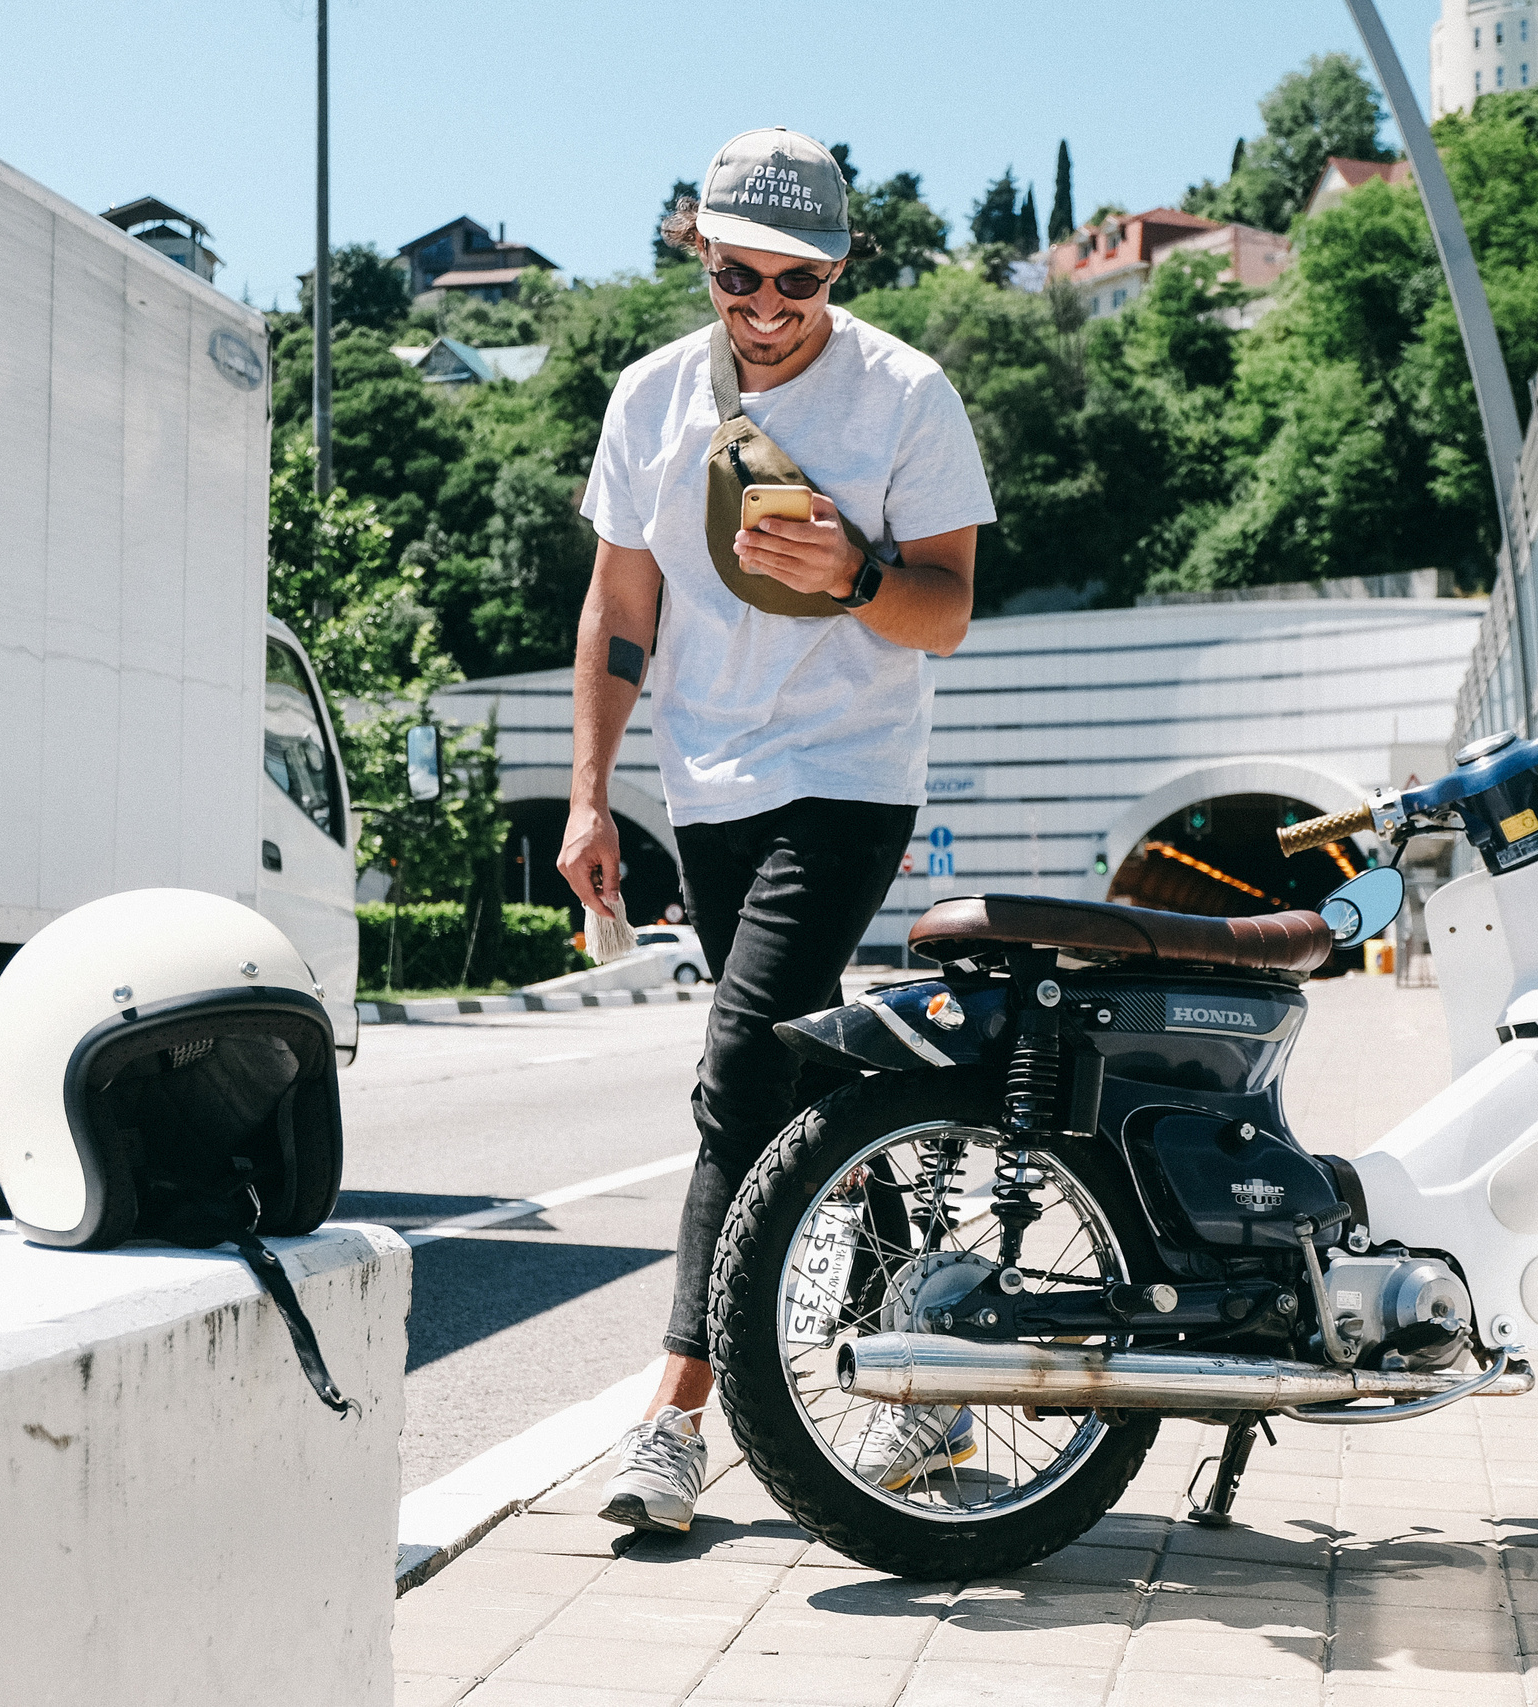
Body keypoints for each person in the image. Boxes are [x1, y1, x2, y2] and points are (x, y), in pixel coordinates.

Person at [558, 127, 995, 1534]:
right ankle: (927, 1378)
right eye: (734, 275)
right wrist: (588, 792)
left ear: (839, 268)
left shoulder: (906, 398)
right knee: (808, 1072)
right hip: (709, 780)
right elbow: (622, 613)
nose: (762, 309)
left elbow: (947, 611)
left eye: (794, 283)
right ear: (699, 253)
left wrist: (860, 573)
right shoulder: (650, 400)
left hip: (852, 774)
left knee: (739, 1064)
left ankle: (675, 1413)